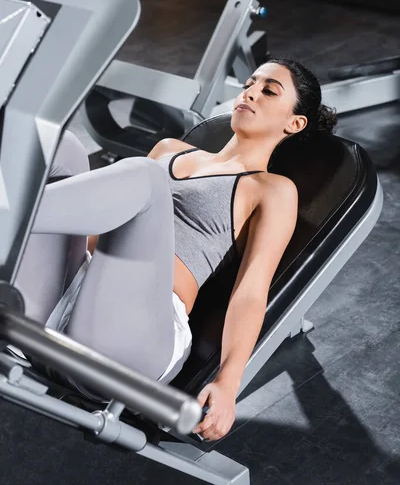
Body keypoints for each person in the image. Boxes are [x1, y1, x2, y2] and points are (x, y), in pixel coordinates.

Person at [15, 58, 337, 442]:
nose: (250, 92)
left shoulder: (271, 189)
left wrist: (228, 384)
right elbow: (93, 237)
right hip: (63, 306)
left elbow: (250, 293)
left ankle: (10, 219)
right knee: (61, 144)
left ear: (294, 123)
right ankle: (11, 227)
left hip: (134, 339)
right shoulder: (170, 149)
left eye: (269, 91)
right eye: (250, 83)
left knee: (145, 178)